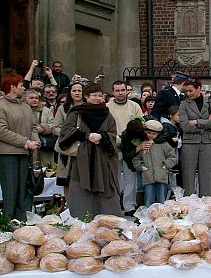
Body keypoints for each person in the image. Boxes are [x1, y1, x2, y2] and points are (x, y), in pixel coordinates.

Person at [58, 82, 121, 219]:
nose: (98, 98)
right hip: (82, 157)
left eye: (100, 95)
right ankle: (82, 218)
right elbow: (66, 130)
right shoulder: (76, 112)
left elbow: (112, 132)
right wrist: (86, 135)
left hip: (102, 157)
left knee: (106, 184)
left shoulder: (106, 113)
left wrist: (102, 136)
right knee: (81, 186)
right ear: (86, 96)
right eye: (94, 95)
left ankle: (107, 219)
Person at [0, 74, 40, 220]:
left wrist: (35, 141)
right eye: (21, 85)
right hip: (7, 155)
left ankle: (24, 222)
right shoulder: (1, 105)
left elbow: (33, 127)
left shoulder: (25, 106)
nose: (24, 88)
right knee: (10, 191)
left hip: (26, 154)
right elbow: (2, 131)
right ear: (12, 87)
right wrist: (25, 142)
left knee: (25, 190)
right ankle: (8, 223)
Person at [107, 81, 143, 215]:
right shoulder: (107, 107)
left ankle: (129, 206)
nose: (120, 93)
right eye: (117, 90)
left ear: (127, 91)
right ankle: (114, 204)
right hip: (113, 146)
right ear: (113, 92)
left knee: (130, 178)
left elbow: (141, 124)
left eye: (123, 90)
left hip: (130, 147)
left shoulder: (135, 106)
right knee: (113, 178)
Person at [178, 79, 211, 197]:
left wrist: (196, 122)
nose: (188, 94)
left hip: (207, 142)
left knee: (206, 175)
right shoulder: (183, 104)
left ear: (199, 88)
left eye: (191, 90)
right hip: (190, 143)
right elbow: (185, 126)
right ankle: (188, 204)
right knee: (188, 175)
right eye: (186, 91)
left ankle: (205, 202)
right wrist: (206, 123)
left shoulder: (210, 103)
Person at [133, 119, 177, 206]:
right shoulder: (143, 144)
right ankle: (148, 217)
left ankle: (160, 217)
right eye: (149, 133)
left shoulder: (163, 144)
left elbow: (172, 157)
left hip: (162, 176)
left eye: (154, 134)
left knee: (161, 200)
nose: (151, 135)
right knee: (148, 199)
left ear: (158, 134)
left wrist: (166, 165)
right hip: (148, 176)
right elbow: (136, 159)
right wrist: (141, 167)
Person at [51, 82, 83, 191]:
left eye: (79, 90)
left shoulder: (88, 107)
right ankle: (69, 206)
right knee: (66, 181)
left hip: (83, 146)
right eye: (74, 90)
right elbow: (55, 128)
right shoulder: (62, 108)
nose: (77, 93)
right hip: (67, 147)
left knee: (83, 180)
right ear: (70, 93)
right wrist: (70, 133)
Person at [24, 89, 55, 169]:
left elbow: (52, 126)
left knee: (46, 170)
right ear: (25, 99)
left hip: (45, 146)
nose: (34, 100)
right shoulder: (22, 111)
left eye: (36, 98)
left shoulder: (46, 110)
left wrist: (41, 128)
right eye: (31, 98)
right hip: (28, 144)